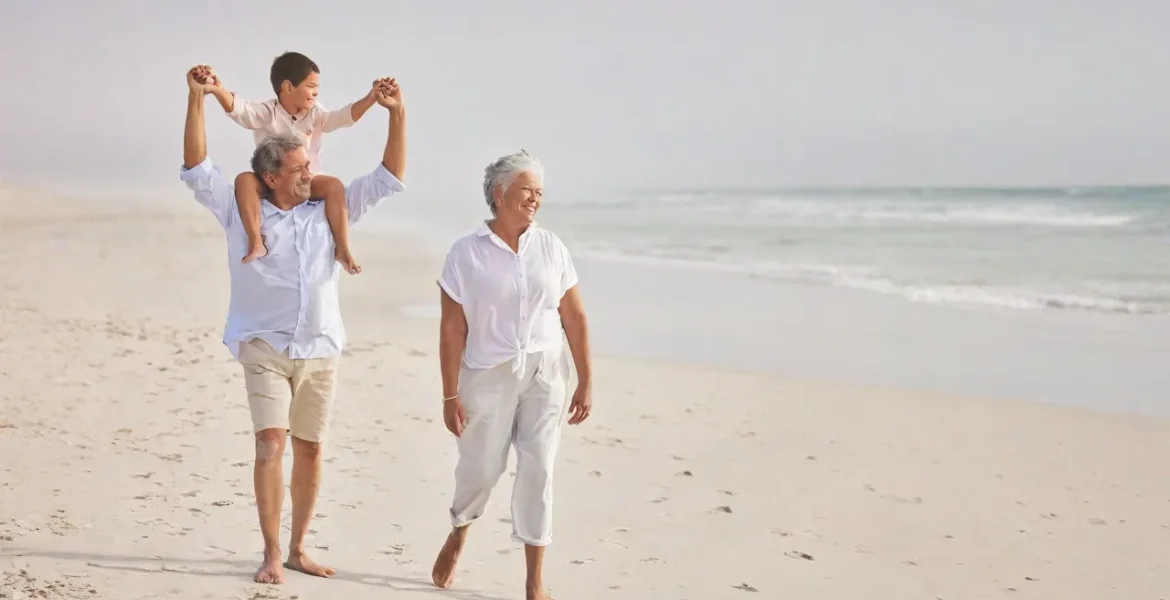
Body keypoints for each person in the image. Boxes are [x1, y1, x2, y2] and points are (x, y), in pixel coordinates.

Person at [178, 65, 407, 585]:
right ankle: (271, 552)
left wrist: (397, 115)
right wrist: (197, 100)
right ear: (271, 177)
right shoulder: (241, 210)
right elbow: (196, 168)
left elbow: (388, 177)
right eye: (301, 168)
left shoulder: (329, 209)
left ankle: (301, 547)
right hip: (263, 347)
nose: (312, 173)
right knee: (270, 444)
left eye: (310, 165)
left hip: (320, 350)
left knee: (310, 447)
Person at [430, 150, 593, 600]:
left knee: (539, 467)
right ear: (500, 194)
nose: (535, 199)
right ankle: (461, 527)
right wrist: (449, 396)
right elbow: (451, 328)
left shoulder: (552, 247)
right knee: (481, 468)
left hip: (545, 370)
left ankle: (534, 580)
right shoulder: (466, 253)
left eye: (540, 192)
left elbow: (574, 316)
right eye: (527, 190)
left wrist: (585, 379)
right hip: (487, 374)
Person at [203, 52, 382, 273]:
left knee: (334, 185)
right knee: (244, 181)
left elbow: (342, 118)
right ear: (287, 87)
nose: (316, 92)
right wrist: (217, 89)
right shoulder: (268, 113)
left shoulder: (316, 113)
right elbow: (240, 110)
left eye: (317, 88)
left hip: (306, 179)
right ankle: (256, 241)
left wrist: (371, 98)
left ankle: (342, 248)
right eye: (310, 86)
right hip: (270, 179)